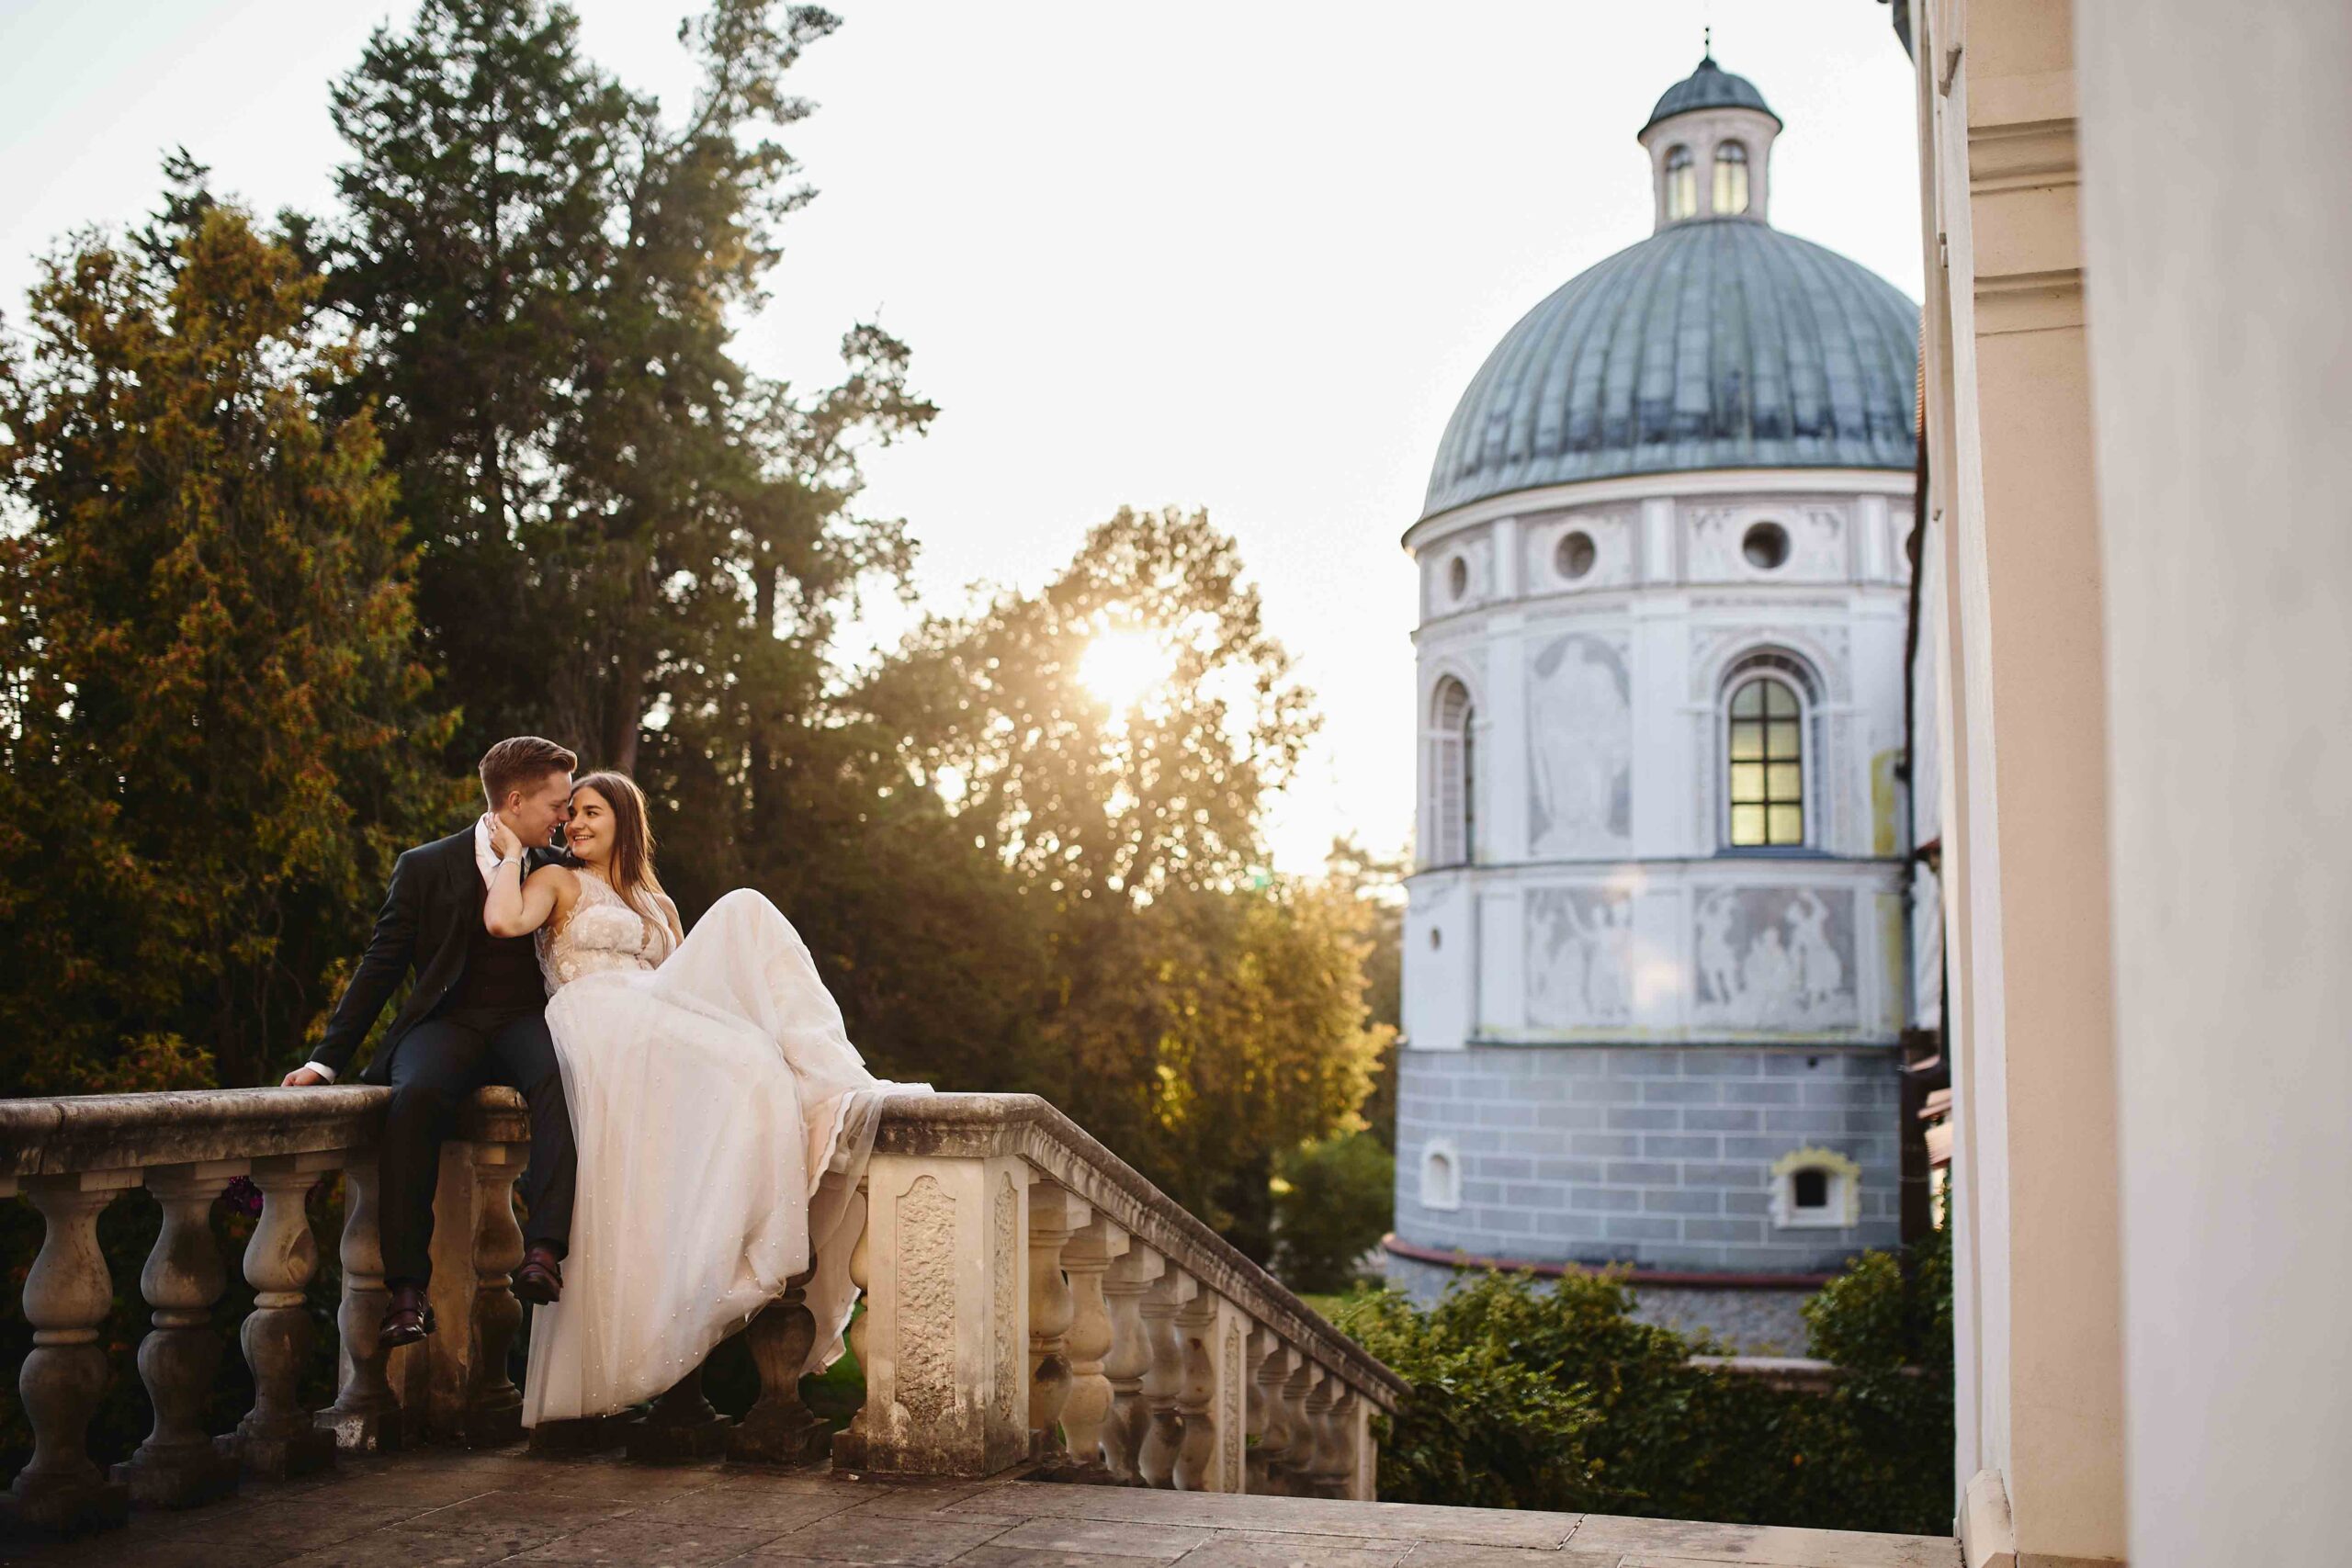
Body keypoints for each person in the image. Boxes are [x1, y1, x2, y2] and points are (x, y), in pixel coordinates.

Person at [483, 770, 925, 1424]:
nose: (575, 823)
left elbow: (690, 984)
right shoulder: (555, 880)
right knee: (744, 910)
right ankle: (824, 1082)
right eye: (571, 813)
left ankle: (822, 1081)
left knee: (754, 1052)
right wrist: (510, 854)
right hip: (595, 1018)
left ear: (624, 820)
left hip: (651, 1017)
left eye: (591, 811)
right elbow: (502, 920)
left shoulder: (656, 903)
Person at [282, 736, 582, 1347]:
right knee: (414, 1095)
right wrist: (324, 1062)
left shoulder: (561, 868)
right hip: (447, 1023)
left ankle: (545, 1251)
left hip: (528, 1019)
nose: (564, 816)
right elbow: (381, 966)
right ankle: (406, 1292)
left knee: (561, 1078)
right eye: (556, 804)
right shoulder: (424, 866)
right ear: (514, 800)